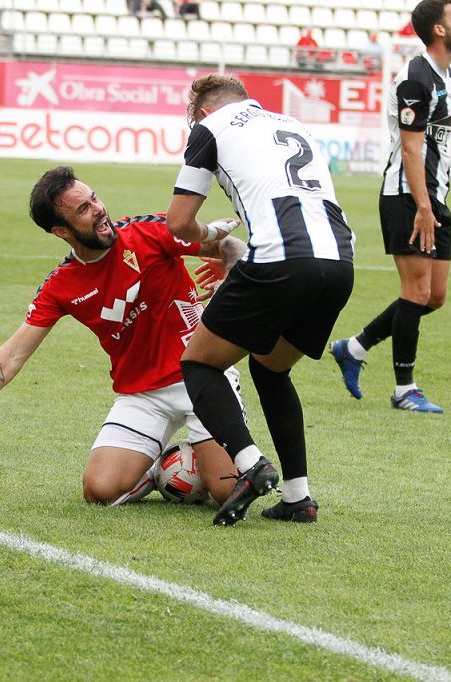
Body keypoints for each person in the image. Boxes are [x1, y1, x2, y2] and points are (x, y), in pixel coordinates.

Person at [0, 166, 247, 507]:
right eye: (83, 209)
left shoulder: (149, 232)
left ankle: (199, 460)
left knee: (227, 491)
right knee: (99, 491)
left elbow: (229, 243)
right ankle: (157, 469)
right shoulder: (61, 285)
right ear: (61, 230)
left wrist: (231, 269)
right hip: (142, 393)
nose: (98, 209)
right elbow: (14, 353)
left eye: (93, 198)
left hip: (202, 378)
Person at [167, 74, 356, 527]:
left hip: (281, 259)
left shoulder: (209, 127)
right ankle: (299, 496)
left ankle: (251, 465)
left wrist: (210, 236)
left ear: (204, 111)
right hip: (339, 260)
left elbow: (178, 221)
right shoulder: (289, 122)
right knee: (270, 366)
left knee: (198, 363)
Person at [330, 0, 451, 414]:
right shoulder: (415, 76)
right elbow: (410, 149)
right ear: (439, 30)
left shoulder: (450, 77)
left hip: (434, 197)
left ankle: (353, 348)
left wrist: (435, 203)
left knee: (434, 296)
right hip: (407, 196)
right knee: (417, 291)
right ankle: (405, 389)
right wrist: (423, 206)